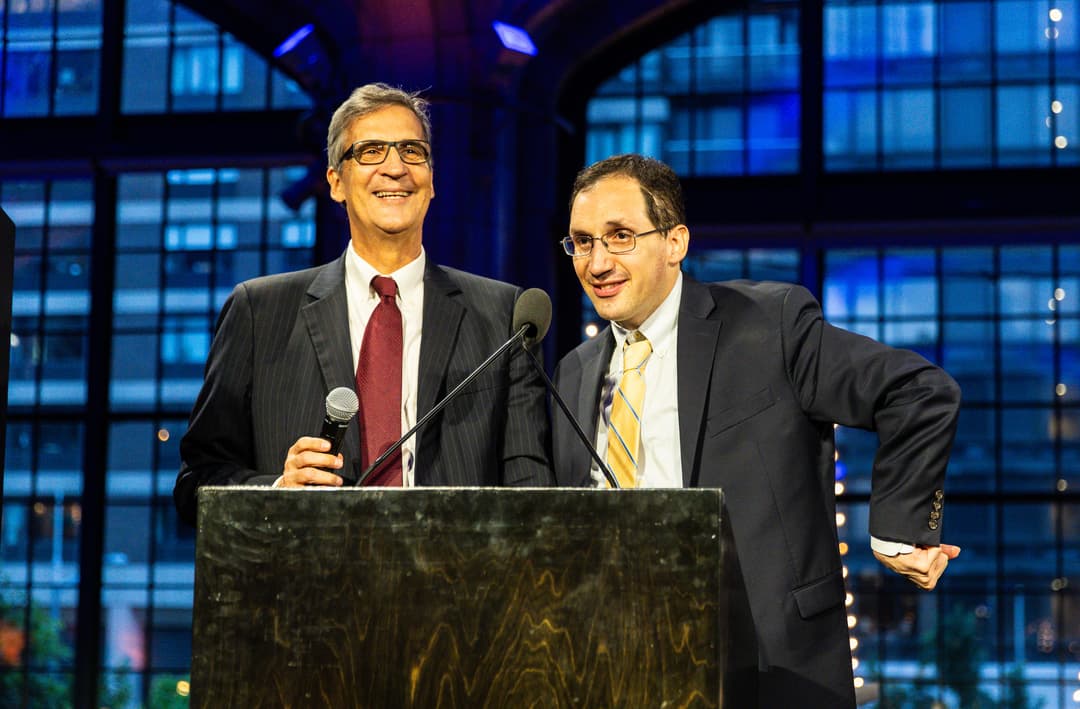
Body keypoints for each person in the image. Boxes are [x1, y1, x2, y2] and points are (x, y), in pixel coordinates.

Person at [551, 154, 961, 707]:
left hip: (769, 668)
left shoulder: (769, 324)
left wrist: (897, 528)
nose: (597, 261)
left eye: (620, 236)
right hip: (618, 666)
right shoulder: (574, 371)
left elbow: (917, 390)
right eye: (582, 241)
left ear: (675, 243)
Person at [174, 83, 553, 526]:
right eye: (371, 151)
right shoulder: (259, 311)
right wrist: (278, 491)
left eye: (413, 151)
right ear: (336, 182)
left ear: (432, 181)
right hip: (310, 578)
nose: (396, 168)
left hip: (455, 584)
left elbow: (532, 492)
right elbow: (196, 484)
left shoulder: (504, 315)